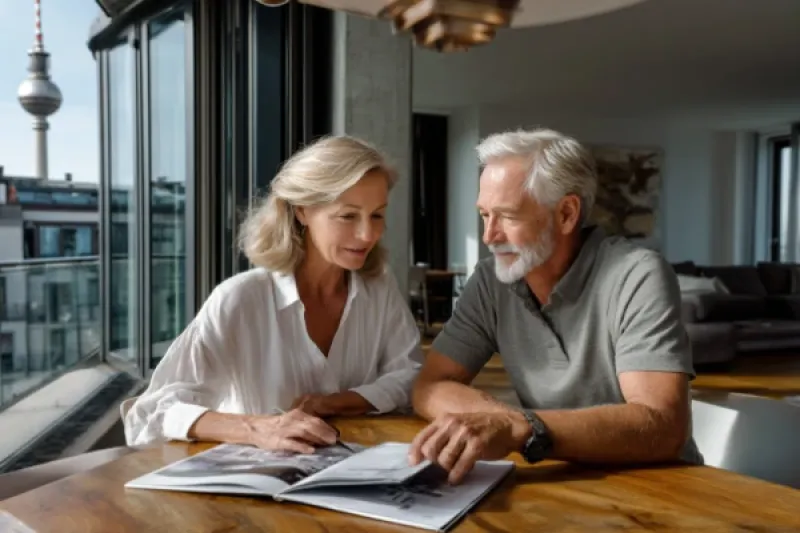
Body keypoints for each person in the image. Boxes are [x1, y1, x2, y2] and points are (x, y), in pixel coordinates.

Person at [409, 128, 700, 484]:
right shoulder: (490, 281)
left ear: (566, 214)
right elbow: (430, 385)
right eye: (485, 215)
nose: (489, 236)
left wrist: (522, 427)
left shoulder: (637, 274)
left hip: (660, 486)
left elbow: (662, 426)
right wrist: (505, 423)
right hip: (559, 477)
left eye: (508, 216)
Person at [124, 135, 422, 453]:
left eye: (377, 215)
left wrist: (338, 402)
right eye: (348, 216)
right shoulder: (239, 299)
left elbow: (411, 377)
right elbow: (150, 415)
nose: (368, 234)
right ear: (302, 211)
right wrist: (255, 428)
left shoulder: (379, 289)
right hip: (252, 490)